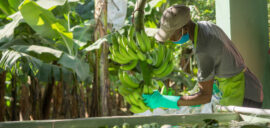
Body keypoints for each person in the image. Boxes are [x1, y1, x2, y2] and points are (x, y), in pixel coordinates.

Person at [142, 5, 263, 109]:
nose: (169, 39)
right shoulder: (205, 26)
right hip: (248, 85)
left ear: (184, 29)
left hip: (243, 94)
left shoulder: (204, 48)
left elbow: (205, 96)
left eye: (171, 35)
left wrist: (165, 101)